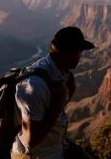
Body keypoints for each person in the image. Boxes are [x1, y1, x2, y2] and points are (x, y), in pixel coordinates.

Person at [11, 27, 95, 159]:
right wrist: (58, 103)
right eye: (79, 51)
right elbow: (30, 141)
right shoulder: (34, 86)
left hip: (57, 148)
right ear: (70, 53)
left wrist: (69, 91)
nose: (80, 56)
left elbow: (49, 113)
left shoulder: (58, 73)